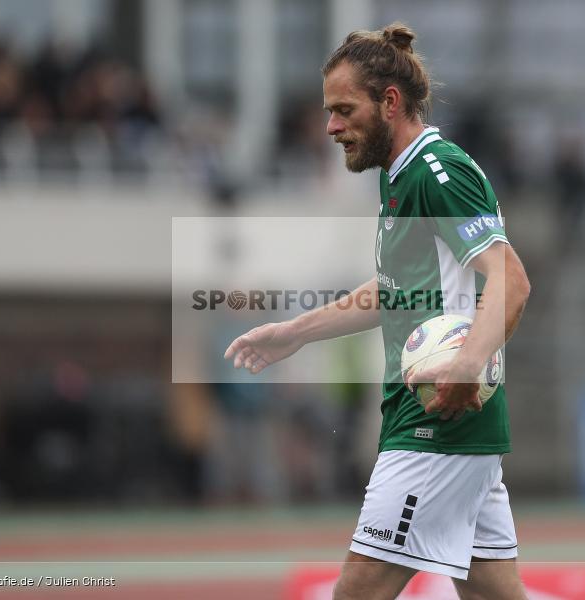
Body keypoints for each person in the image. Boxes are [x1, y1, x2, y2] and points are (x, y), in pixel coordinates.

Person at [224, 23, 531, 600]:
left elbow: (510, 278)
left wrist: (467, 365)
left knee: (356, 592)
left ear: (390, 102)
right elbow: (394, 289)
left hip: (434, 424)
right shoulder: (399, 176)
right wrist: (295, 331)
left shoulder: (438, 171)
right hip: (447, 422)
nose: (331, 127)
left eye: (343, 110)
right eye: (328, 112)